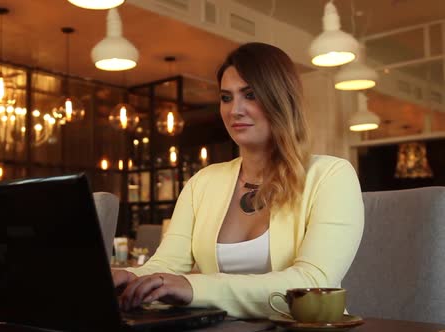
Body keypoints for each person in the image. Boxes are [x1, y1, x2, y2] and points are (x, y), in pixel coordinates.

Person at [112, 42, 364, 319]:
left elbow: (314, 283)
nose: (235, 110)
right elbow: (166, 266)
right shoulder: (203, 182)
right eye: (226, 97)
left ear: (281, 99)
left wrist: (194, 287)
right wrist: (125, 276)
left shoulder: (332, 175)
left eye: (250, 95)